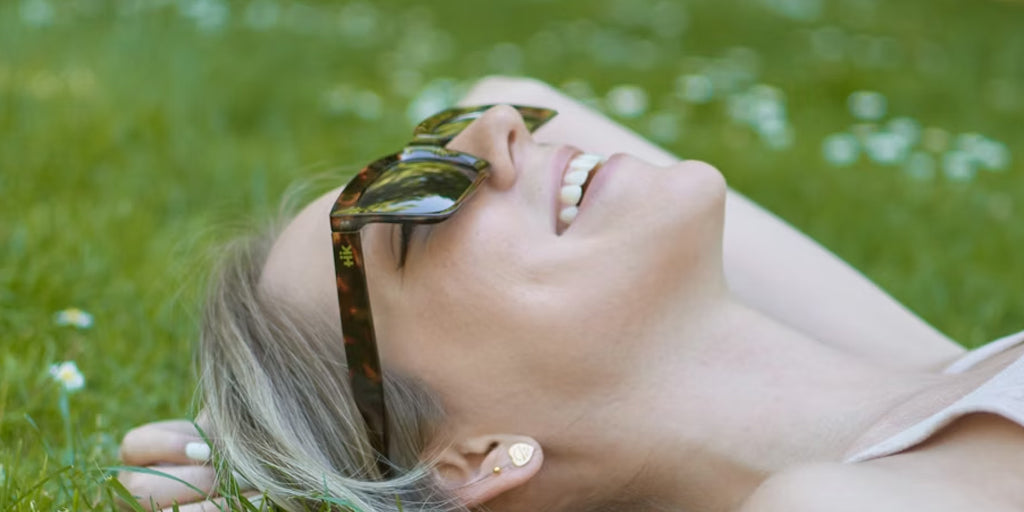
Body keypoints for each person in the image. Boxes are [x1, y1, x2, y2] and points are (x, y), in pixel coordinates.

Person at [117, 76, 1024, 512]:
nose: (498, 131)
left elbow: (508, 91)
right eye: (409, 208)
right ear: (473, 461)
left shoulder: (928, 377)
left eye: (430, 152)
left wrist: (284, 463)